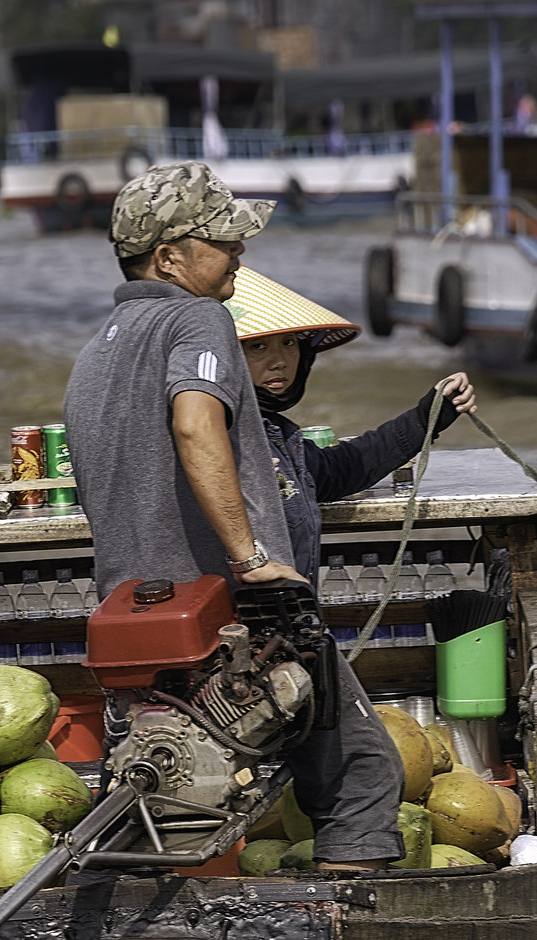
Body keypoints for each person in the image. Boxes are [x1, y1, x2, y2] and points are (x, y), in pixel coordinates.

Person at [62, 162, 416, 870]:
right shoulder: (197, 318)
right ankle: (358, 931)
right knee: (362, 778)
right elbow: (196, 425)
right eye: (224, 241)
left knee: (156, 791)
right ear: (169, 258)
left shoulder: (94, 354)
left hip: (130, 619)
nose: (240, 254)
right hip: (222, 613)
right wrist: (254, 562)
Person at [226, 265, 477, 583]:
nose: (280, 361)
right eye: (258, 347)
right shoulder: (219, 434)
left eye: (289, 343)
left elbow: (343, 468)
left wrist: (429, 416)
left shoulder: (276, 434)